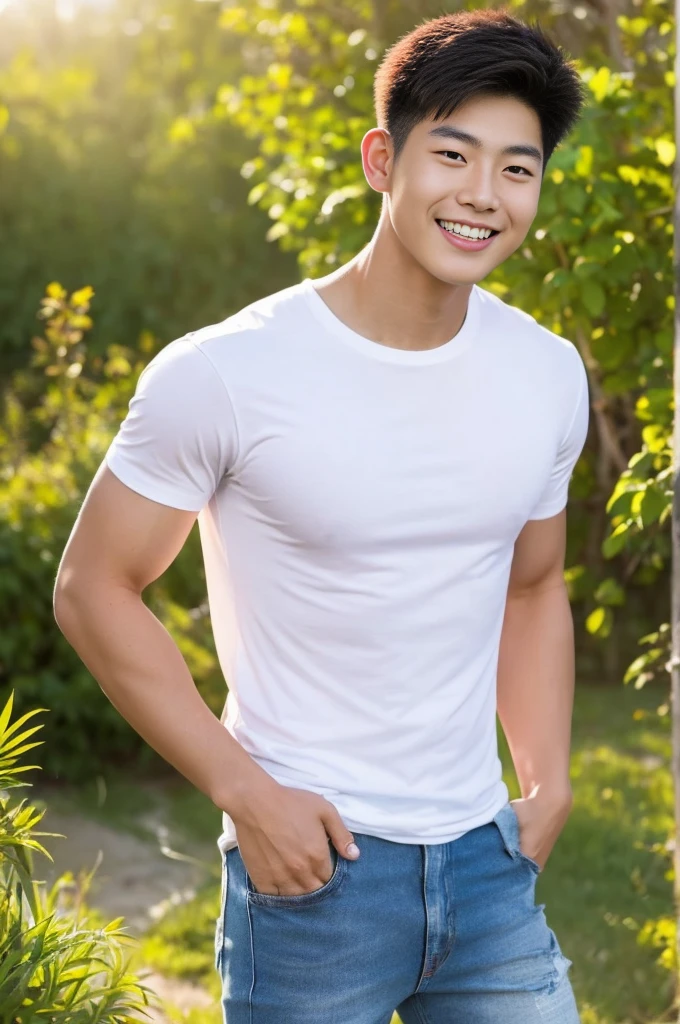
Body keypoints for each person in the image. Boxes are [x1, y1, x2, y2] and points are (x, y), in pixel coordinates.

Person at [53, 5, 591, 1022]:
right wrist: (245, 793)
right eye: (452, 154)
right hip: (312, 874)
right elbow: (93, 587)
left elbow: (530, 582)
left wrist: (547, 779)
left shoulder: (544, 373)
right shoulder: (226, 372)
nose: (482, 195)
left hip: (486, 866)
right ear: (382, 160)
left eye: (516, 168)